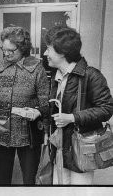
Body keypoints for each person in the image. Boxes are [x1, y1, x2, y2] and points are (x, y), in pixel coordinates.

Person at [44, 25, 113, 185]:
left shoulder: (91, 75)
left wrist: (72, 117)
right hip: (60, 148)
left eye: (48, 49)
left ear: (62, 52)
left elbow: (107, 108)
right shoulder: (57, 75)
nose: (45, 53)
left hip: (81, 149)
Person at [0, 26, 50, 185]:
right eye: (4, 49)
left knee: (30, 179)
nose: (6, 53)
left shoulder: (36, 69)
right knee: (1, 180)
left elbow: (46, 101)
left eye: (11, 50)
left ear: (22, 48)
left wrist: (41, 120)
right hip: (2, 130)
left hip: (28, 133)